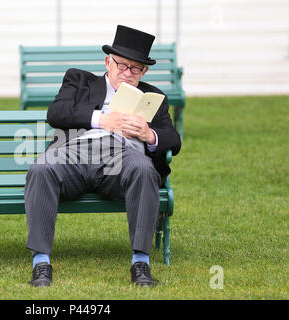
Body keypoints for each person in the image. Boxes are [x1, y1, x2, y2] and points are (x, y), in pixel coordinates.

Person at [24, 25, 181, 287]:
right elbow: (56, 113)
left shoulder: (154, 97)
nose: (127, 73)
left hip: (124, 158)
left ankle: (140, 263)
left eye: (135, 69)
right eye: (121, 65)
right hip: (74, 152)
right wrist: (101, 120)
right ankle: (41, 263)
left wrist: (149, 134)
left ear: (144, 71)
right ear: (108, 62)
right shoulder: (79, 80)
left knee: (144, 170)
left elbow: (173, 140)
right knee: (42, 167)